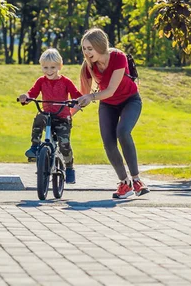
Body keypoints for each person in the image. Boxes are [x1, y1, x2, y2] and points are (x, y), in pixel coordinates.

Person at [76, 28, 149, 198]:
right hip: (108, 105)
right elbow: (83, 96)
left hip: (130, 100)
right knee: (108, 143)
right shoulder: (87, 67)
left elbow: (110, 90)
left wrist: (92, 96)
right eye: (84, 49)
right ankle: (125, 183)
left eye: (90, 48)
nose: (86, 53)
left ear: (100, 46)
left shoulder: (118, 57)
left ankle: (137, 180)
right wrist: (67, 114)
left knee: (123, 132)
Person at [18, 48, 82, 183]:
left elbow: (76, 94)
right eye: (45, 67)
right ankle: (35, 146)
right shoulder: (41, 81)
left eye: (53, 67)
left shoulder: (65, 82)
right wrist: (26, 97)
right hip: (47, 114)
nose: (49, 70)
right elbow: (32, 93)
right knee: (38, 118)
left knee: (64, 144)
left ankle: (69, 167)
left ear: (59, 66)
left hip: (62, 116)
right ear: (41, 67)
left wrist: (79, 101)